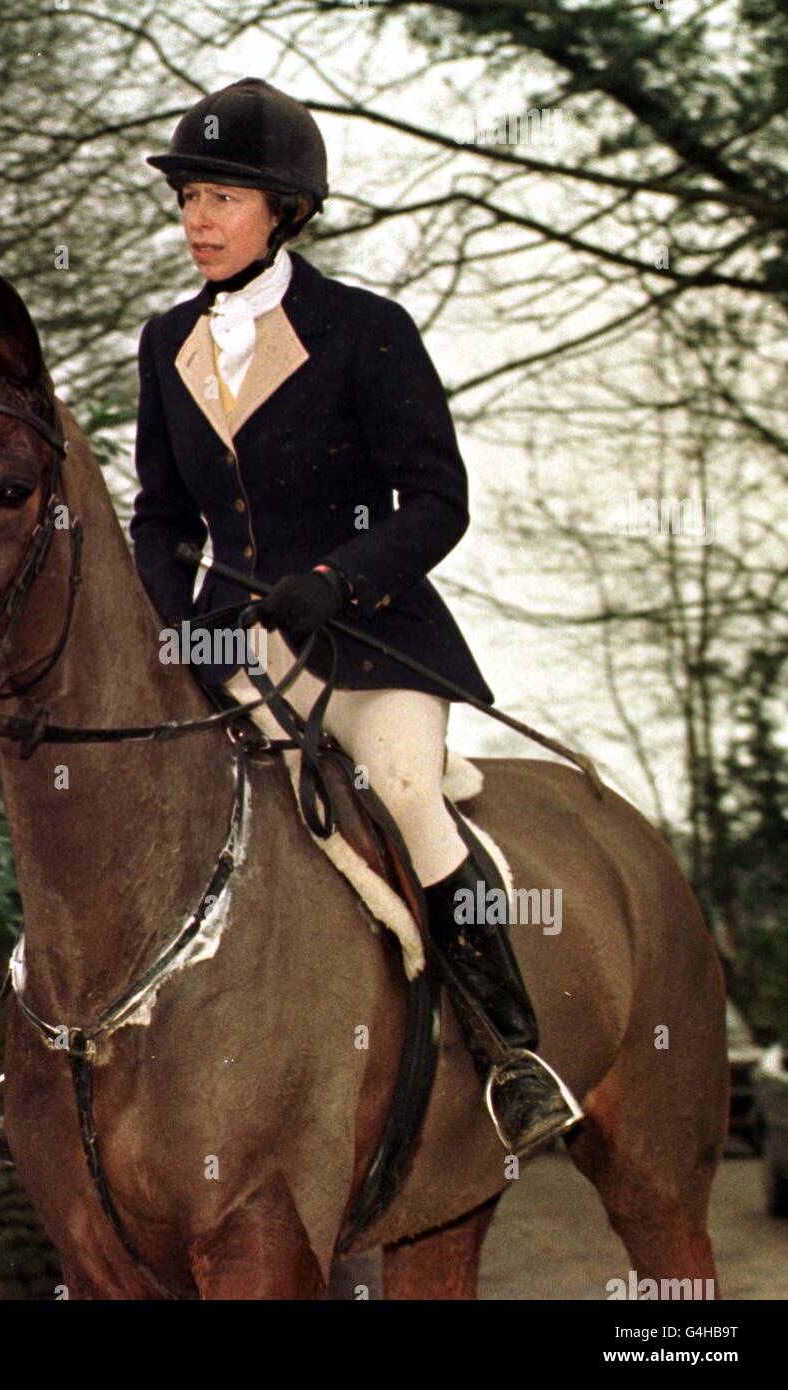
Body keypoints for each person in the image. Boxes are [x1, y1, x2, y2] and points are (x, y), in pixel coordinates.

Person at [129, 78, 582, 1157]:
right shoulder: (164, 342)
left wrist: (337, 576)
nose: (197, 220)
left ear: (283, 210)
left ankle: (513, 1053)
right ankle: (62, 1048)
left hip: (370, 643)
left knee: (409, 796)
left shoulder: (367, 331)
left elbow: (437, 498)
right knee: (134, 801)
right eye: (188, 197)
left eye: (221, 199)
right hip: (233, 649)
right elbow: (160, 517)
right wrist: (173, 629)